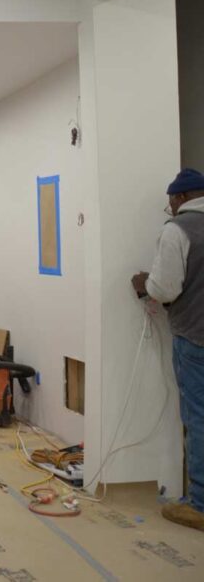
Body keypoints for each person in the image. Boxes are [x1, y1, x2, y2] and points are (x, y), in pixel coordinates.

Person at [132, 167, 204, 532]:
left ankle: (200, 505)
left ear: (179, 198)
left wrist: (145, 284)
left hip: (195, 337)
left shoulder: (178, 230)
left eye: (170, 203)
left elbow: (167, 288)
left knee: (199, 419)